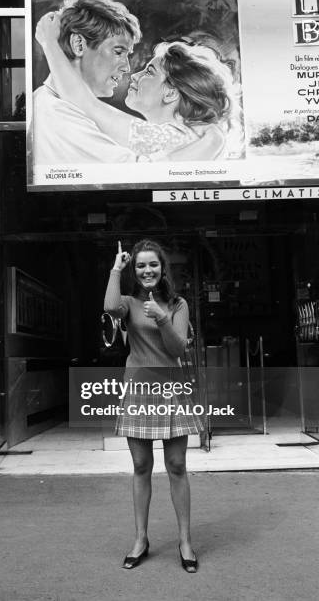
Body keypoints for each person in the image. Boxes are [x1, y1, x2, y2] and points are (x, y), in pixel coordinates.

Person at [104, 240, 203, 572]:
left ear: (163, 269)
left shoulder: (177, 304)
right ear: (135, 271)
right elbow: (108, 307)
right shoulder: (129, 303)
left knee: (176, 465)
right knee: (141, 466)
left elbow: (177, 350)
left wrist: (161, 318)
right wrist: (116, 269)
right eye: (141, 266)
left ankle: (185, 542)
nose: (147, 270)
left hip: (171, 389)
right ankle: (140, 539)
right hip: (139, 389)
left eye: (153, 265)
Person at [36, 11, 242, 161]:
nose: (133, 74)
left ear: (171, 92)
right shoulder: (195, 136)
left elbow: (85, 104)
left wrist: (49, 42)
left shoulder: (181, 137)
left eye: (149, 72)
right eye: (118, 51)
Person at [31, 0, 141, 167]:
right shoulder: (58, 115)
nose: (127, 67)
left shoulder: (55, 103)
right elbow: (138, 168)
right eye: (119, 52)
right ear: (79, 45)